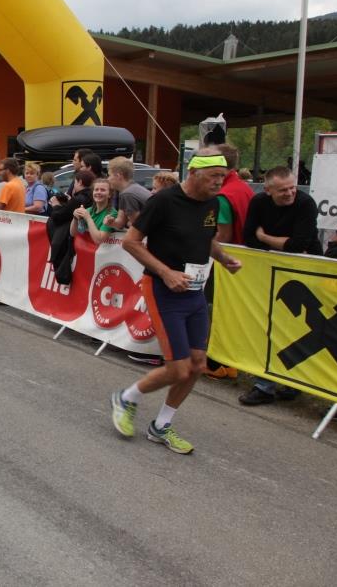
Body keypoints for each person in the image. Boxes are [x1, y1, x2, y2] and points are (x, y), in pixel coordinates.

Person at [110, 149, 242, 454]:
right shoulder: (164, 201)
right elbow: (131, 242)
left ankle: (161, 426)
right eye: (213, 176)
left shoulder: (212, 203)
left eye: (222, 177)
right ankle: (126, 397)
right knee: (178, 369)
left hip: (194, 292)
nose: (219, 182)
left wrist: (224, 259)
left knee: (197, 365)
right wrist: (166, 272)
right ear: (193, 173)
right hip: (162, 290)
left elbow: (206, 239)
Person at [237, 166, 322, 406]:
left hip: (304, 274)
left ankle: (292, 383)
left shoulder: (305, 203)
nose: (290, 193)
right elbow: (248, 238)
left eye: (292, 188)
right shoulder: (258, 202)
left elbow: (299, 244)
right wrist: (281, 244)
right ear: (268, 190)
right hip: (269, 271)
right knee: (267, 324)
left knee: (298, 328)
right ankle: (264, 386)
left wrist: (265, 238)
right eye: (283, 190)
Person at [203, 144, 253, 379]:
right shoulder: (243, 188)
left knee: (213, 308)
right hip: (244, 260)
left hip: (226, 261)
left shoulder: (224, 195)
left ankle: (217, 364)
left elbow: (223, 235)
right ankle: (228, 362)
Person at [106, 156, 151, 230]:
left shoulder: (127, 194)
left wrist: (130, 223)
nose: (108, 179)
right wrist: (111, 222)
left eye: (109, 175)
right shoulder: (130, 189)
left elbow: (137, 227)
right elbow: (120, 223)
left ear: (118, 176)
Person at [72, 176, 117, 244]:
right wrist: (75, 217)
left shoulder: (112, 213)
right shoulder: (88, 210)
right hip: (85, 249)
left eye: (103, 190)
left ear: (109, 194)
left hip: (102, 250)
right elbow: (73, 233)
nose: (98, 192)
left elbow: (99, 240)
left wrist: (88, 218)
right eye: (96, 189)